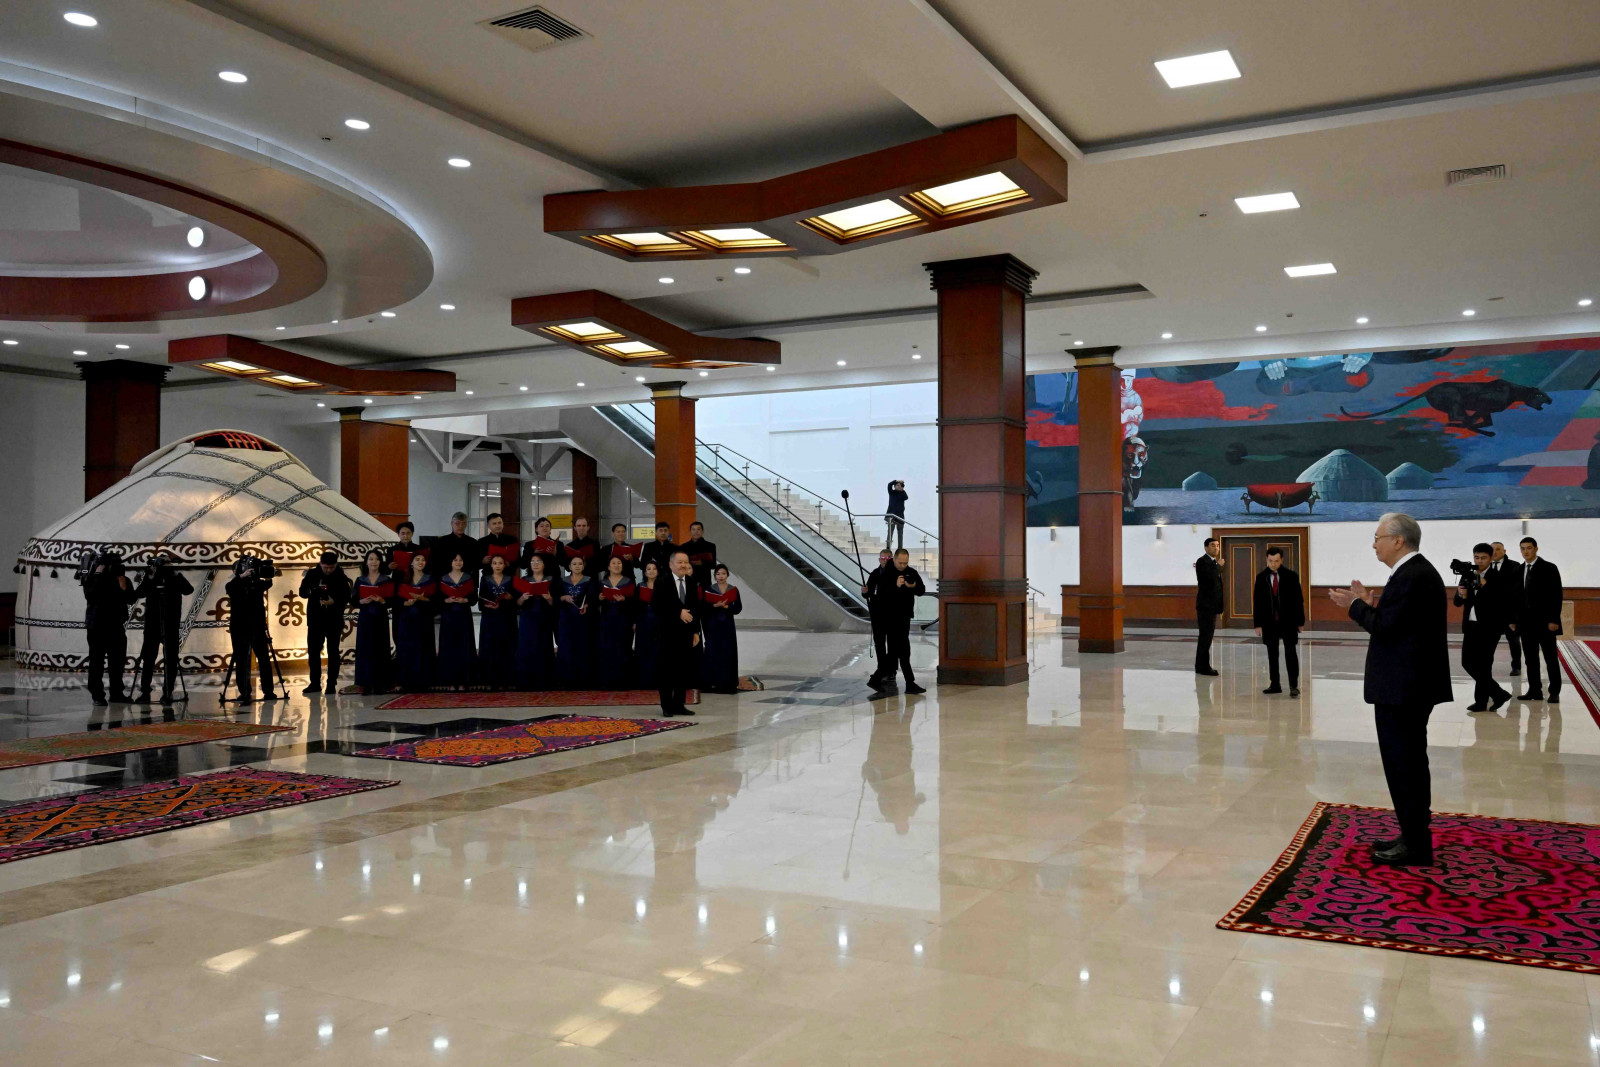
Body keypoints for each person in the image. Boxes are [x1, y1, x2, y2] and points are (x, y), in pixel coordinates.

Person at [1330, 512, 1452, 867]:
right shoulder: (1414, 573)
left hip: (1404, 688)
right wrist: (1371, 604)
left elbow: (1386, 628)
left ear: (1398, 540)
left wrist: (1355, 607)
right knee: (1407, 763)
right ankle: (1412, 834)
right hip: (1408, 685)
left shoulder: (1412, 575)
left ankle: (1416, 845)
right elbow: (1400, 621)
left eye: (1378, 537)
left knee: (1404, 765)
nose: (1374, 545)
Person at [1456, 542, 1512, 712]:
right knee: (1467, 662)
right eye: (1476, 557)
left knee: (1484, 665)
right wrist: (1461, 594)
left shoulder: (1498, 577)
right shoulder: (1468, 573)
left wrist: (1485, 587)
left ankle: (1481, 702)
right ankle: (1498, 693)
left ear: (1491, 558)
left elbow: (1501, 602)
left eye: (1483, 558)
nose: (1479, 561)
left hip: (1490, 627)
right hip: (1470, 625)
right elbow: (1458, 602)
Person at [134, 552, 193, 705]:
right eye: (162, 562)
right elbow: (139, 593)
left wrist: (175, 572)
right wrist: (150, 577)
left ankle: (168, 692)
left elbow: (189, 590)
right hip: (152, 624)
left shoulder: (175, 577)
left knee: (171, 659)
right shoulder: (151, 577)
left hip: (171, 624)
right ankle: (145, 691)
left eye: (166, 562)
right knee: (148, 659)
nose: (164, 565)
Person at [1511, 536, 1563, 702]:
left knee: (1550, 658)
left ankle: (1554, 692)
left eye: (1529, 548)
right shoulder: (1518, 570)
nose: (1525, 551)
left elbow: (1556, 595)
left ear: (1536, 548)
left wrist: (1554, 620)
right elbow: (1515, 598)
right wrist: (1513, 620)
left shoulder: (1549, 568)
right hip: (1526, 624)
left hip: (1545, 622)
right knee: (1530, 659)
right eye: (1523, 548)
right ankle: (1534, 690)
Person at [83, 551, 138, 706]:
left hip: (116, 625)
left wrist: (123, 584)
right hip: (97, 626)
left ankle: (116, 693)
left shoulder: (123, 579)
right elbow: (90, 595)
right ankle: (97, 695)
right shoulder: (92, 578)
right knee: (96, 662)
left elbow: (131, 599)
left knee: (117, 662)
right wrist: (97, 575)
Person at [871, 549, 927, 694]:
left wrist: (913, 586)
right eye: (900, 562)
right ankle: (906, 682)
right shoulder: (886, 573)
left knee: (901, 651)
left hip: (904, 616)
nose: (903, 565)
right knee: (900, 650)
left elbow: (921, 590)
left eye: (905, 563)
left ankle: (881, 679)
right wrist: (895, 586)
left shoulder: (911, 572)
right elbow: (881, 594)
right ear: (894, 559)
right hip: (889, 617)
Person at [655, 550, 702, 716]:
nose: (683, 565)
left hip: (686, 633)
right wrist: (678, 612)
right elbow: (657, 605)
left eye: (685, 562)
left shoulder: (691, 582)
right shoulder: (662, 582)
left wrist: (696, 631)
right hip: (667, 633)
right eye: (680, 562)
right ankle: (666, 706)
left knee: (683, 670)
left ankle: (679, 704)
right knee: (667, 671)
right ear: (671, 564)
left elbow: (695, 608)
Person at [225, 555, 278, 703]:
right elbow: (231, 589)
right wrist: (241, 577)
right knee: (241, 659)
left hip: (258, 626)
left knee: (264, 658)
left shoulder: (256, 584)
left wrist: (266, 573)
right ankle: (244, 691)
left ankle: (268, 691)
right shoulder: (233, 585)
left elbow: (267, 583)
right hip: (239, 627)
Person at [1253, 547, 1304, 696]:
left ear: (1281, 560)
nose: (1273, 564)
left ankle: (1293, 685)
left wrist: (1300, 621)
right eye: (1270, 561)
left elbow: (1298, 600)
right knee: (1272, 653)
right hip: (1269, 622)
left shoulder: (1291, 576)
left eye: (1276, 561)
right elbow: (1257, 602)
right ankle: (1275, 684)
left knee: (1290, 652)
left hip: (1288, 621)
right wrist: (1258, 624)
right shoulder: (1261, 577)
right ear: (1266, 559)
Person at [298, 550, 351, 695]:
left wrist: (334, 601)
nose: (328, 570)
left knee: (333, 651)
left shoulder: (340, 576)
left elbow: (347, 595)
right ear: (320, 564)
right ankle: (315, 683)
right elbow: (302, 592)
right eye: (325, 567)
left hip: (334, 618)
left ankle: (331, 683)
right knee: (314, 651)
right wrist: (312, 592)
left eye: (331, 567)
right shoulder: (312, 574)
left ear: (336, 565)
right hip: (315, 618)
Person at [349, 549, 394, 695]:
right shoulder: (360, 580)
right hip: (365, 618)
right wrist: (361, 601)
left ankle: (380, 683)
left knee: (380, 648)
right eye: (371, 559)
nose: (374, 562)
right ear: (366, 562)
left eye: (377, 559)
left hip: (380, 617)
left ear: (380, 562)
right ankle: (366, 683)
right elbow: (353, 601)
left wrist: (382, 600)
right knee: (365, 649)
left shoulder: (386, 579)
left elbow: (391, 601)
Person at [394, 554, 437, 693]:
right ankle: (406, 681)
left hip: (423, 619)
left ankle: (423, 681)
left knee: (423, 647)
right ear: (411, 563)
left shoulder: (430, 579)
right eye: (417, 560)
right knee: (408, 649)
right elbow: (397, 601)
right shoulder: (404, 579)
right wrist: (406, 603)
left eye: (423, 560)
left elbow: (435, 601)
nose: (420, 562)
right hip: (407, 620)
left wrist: (423, 599)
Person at [555, 554, 598, 688]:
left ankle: (584, 679)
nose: (577, 566)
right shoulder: (562, 581)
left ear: (584, 566)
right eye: (574, 564)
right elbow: (556, 598)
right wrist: (564, 597)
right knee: (566, 646)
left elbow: (592, 598)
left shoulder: (589, 580)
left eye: (580, 563)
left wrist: (586, 605)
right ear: (569, 566)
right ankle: (566, 679)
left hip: (583, 618)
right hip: (566, 618)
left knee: (583, 645)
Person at [435, 553, 477, 690]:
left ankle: (465, 681)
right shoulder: (443, 578)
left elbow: (474, 598)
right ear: (450, 562)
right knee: (449, 647)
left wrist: (465, 600)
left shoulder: (468, 578)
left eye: (460, 560)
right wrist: (446, 600)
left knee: (464, 646)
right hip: (448, 616)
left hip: (464, 615)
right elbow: (438, 598)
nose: (458, 562)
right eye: (455, 560)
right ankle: (451, 682)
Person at [514, 555, 556, 690]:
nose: (535, 564)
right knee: (527, 647)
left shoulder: (551, 580)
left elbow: (555, 604)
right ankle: (526, 681)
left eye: (538, 561)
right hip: (528, 618)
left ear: (544, 564)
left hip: (544, 618)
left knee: (544, 646)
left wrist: (549, 598)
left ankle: (545, 681)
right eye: (532, 561)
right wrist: (523, 597)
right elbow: (517, 603)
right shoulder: (524, 580)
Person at [476, 554, 518, 689]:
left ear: (504, 565)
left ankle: (507, 680)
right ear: (491, 565)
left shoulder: (511, 579)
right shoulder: (485, 579)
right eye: (495, 563)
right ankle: (490, 680)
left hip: (507, 618)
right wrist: (489, 605)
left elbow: (516, 603)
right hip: (490, 619)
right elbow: (480, 602)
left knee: (506, 647)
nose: (497, 566)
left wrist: (509, 598)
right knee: (490, 647)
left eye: (500, 563)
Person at [701, 563, 743, 693]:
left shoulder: (733, 590)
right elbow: (703, 607)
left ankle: (727, 682)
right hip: (713, 624)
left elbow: (738, 608)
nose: (721, 576)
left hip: (727, 625)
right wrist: (715, 606)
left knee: (727, 651)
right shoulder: (709, 589)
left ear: (727, 575)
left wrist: (727, 607)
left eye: (723, 574)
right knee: (712, 651)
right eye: (718, 574)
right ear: (714, 576)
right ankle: (711, 682)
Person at [596, 555, 637, 688]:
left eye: (619, 563)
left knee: (623, 648)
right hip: (606, 619)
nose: (616, 565)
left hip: (623, 620)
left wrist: (624, 600)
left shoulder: (629, 582)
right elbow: (593, 602)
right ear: (608, 567)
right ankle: (607, 681)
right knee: (607, 648)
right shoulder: (602, 582)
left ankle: (623, 681)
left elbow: (634, 603)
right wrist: (599, 598)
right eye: (613, 563)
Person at [861, 548, 894, 686]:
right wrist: (865, 592)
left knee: (892, 643)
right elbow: (868, 593)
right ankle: (882, 669)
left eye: (888, 558)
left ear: (892, 559)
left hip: (891, 614)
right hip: (877, 614)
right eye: (882, 557)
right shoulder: (875, 573)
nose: (884, 560)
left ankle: (891, 670)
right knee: (879, 643)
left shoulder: (895, 574)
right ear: (879, 559)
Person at [1489, 541, 1522, 676]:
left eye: (1498, 549)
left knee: (1514, 642)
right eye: (1492, 549)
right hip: (1492, 614)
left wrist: (1515, 617)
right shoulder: (1485, 566)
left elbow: (1517, 591)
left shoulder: (1514, 566)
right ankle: (1486, 667)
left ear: (1504, 551)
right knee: (1489, 643)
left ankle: (1516, 667)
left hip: (1509, 613)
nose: (1495, 552)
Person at [1194, 538, 1223, 676]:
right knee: (1205, 637)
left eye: (1217, 545)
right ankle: (1202, 667)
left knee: (1207, 637)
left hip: (1212, 606)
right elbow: (1209, 578)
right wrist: (1218, 566)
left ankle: (1202, 665)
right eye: (1212, 545)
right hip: (1205, 606)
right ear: (1206, 548)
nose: (1216, 548)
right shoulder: (1202, 561)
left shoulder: (1212, 562)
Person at [635, 560, 663, 689]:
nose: (651, 571)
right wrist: (635, 622)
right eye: (648, 569)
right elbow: (635, 606)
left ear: (658, 571)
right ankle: (643, 681)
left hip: (658, 621)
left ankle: (657, 680)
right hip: (643, 620)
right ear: (645, 572)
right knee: (643, 648)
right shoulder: (640, 586)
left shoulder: (663, 586)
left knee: (657, 649)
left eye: (654, 568)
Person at [432, 512, 481, 584]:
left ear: (466, 524)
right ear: (452, 524)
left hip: (467, 581)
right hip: (446, 581)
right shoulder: (441, 542)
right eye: (457, 523)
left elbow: (476, 565)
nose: (461, 526)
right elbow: (435, 564)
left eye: (463, 523)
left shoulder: (473, 542)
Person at [478, 512, 520, 582]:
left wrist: (509, 563)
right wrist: (483, 561)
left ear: (503, 524)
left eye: (499, 523)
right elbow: (475, 563)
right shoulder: (482, 542)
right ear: (488, 526)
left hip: (508, 577)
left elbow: (519, 561)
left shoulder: (512, 540)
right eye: (494, 524)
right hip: (489, 577)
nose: (497, 526)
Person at [681, 521, 717, 589]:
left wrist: (701, 562)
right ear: (690, 531)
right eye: (693, 529)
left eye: (698, 529)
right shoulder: (683, 547)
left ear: (702, 531)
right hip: (688, 581)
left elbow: (713, 565)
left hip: (705, 581)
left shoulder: (710, 546)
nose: (696, 532)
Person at [884, 479, 908, 552]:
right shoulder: (892, 492)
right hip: (891, 517)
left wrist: (902, 490)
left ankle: (900, 549)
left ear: (902, 487)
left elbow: (906, 497)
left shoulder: (903, 494)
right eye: (896, 485)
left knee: (900, 534)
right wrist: (896, 481)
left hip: (900, 517)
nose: (897, 486)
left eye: (899, 485)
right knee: (890, 533)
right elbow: (889, 485)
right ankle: (888, 548)